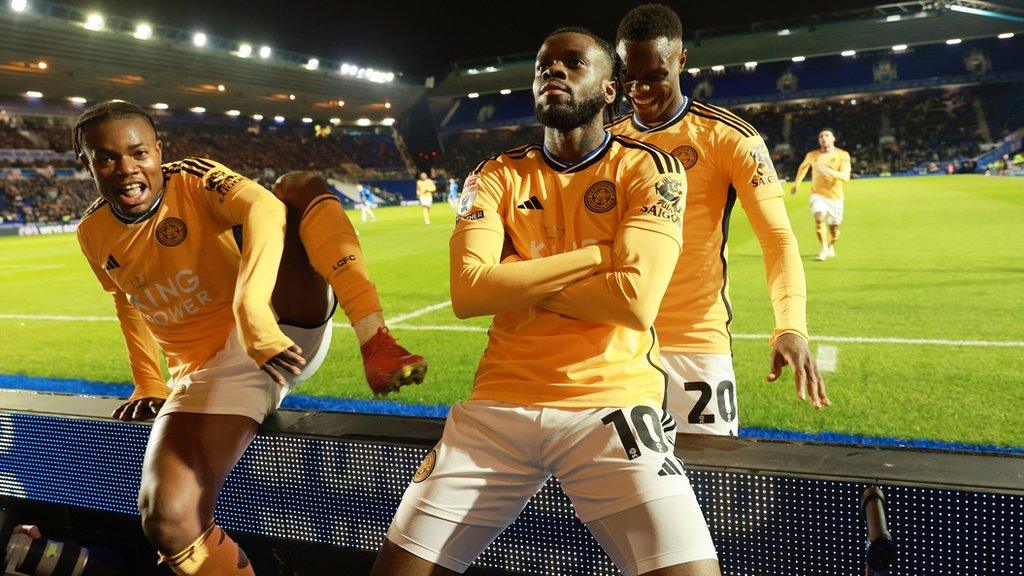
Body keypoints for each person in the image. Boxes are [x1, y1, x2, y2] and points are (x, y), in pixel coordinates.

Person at [372, 28, 719, 576]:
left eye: (572, 63)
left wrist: (514, 275)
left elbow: (634, 301)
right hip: (495, 411)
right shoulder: (495, 175)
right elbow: (469, 292)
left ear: (610, 89)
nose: (552, 72)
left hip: (610, 407)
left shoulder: (650, 168)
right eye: (543, 66)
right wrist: (595, 256)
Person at [73, 100, 426, 576]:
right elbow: (125, 299)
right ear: (88, 163)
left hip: (278, 331)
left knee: (294, 188)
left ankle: (376, 339)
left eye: (138, 153)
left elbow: (262, 205)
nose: (126, 169)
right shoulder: (92, 231)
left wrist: (252, 312)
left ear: (159, 149)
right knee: (167, 519)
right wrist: (149, 382)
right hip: (201, 375)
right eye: (106, 158)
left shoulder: (193, 178)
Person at [609, 4, 828, 438]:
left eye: (654, 76)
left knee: (714, 495)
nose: (639, 89)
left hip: (695, 344)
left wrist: (790, 325)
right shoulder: (608, 142)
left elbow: (778, 239)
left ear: (681, 60)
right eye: (629, 78)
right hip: (617, 346)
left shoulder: (729, 137)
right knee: (615, 500)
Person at [791, 128, 851, 261]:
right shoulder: (812, 155)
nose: (823, 138)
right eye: (821, 136)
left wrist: (829, 172)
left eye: (827, 135)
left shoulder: (843, 155)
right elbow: (803, 167)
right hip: (817, 194)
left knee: (834, 230)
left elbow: (846, 176)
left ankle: (830, 245)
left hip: (836, 198)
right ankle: (824, 247)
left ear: (833, 138)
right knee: (819, 218)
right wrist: (797, 183)